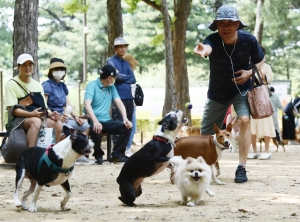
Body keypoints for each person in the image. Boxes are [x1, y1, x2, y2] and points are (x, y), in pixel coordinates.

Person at [194, 5, 265, 183]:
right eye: (221, 23)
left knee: (245, 120)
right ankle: (204, 168)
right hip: (217, 92)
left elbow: (260, 59)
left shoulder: (249, 40)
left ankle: (242, 167)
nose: (226, 27)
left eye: (230, 23)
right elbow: (207, 48)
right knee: (205, 134)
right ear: (216, 25)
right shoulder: (211, 39)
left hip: (241, 90)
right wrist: (204, 50)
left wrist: (250, 73)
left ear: (237, 25)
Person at [42, 58, 94, 165]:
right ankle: (58, 155)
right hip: (52, 118)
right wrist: (54, 115)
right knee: (63, 131)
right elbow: (44, 105)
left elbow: (68, 104)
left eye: (62, 69)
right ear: (51, 71)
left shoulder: (62, 86)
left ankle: (78, 154)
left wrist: (76, 117)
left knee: (86, 126)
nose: (59, 71)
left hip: (65, 117)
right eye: (56, 69)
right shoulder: (47, 85)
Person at [4, 53, 62, 148]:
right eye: (24, 65)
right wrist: (32, 114)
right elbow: (12, 110)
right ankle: (30, 157)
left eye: (30, 64)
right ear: (18, 67)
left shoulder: (38, 85)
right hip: (16, 120)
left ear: (33, 66)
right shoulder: (11, 84)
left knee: (58, 124)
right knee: (36, 121)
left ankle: (52, 156)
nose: (27, 67)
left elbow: (44, 107)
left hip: (36, 116)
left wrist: (51, 114)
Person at [84, 64, 132, 164]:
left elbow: (119, 103)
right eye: (115, 77)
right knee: (95, 128)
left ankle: (117, 154)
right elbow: (87, 104)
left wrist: (125, 119)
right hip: (93, 119)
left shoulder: (111, 87)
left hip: (106, 120)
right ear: (109, 78)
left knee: (127, 127)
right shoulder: (92, 85)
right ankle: (98, 154)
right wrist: (95, 121)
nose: (115, 79)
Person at [106, 37, 136, 152]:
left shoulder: (126, 62)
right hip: (118, 98)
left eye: (125, 47)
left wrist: (123, 77)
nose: (123, 49)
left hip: (129, 97)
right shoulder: (111, 61)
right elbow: (115, 77)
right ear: (115, 48)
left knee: (129, 125)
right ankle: (116, 152)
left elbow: (133, 79)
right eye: (121, 47)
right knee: (119, 124)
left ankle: (123, 151)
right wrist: (123, 77)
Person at [248, 62, 275, 160]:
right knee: (252, 125)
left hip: (263, 99)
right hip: (251, 98)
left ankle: (267, 150)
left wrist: (258, 69)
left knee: (265, 123)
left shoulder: (266, 66)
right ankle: (254, 150)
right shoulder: (247, 65)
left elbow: (266, 79)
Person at [123, 53, 139, 157]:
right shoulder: (126, 77)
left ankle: (127, 148)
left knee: (132, 128)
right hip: (127, 104)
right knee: (130, 127)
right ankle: (126, 149)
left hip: (131, 104)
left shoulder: (127, 76)